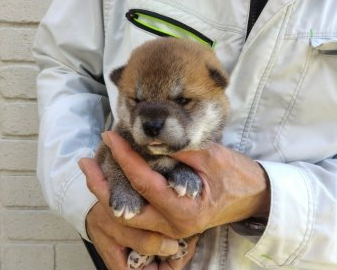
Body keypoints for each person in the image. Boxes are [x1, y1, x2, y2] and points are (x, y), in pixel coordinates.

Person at [33, 0, 337, 269]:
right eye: (136, 102)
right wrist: (86, 201)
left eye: (182, 101)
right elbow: (67, 67)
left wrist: (268, 197)